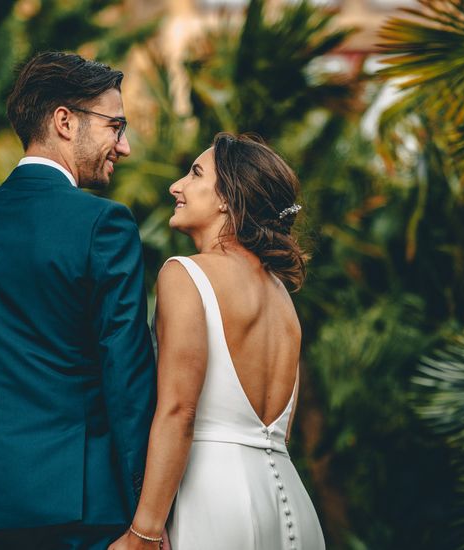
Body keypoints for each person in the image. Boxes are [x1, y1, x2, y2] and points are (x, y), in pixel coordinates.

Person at [0, 51, 156, 550]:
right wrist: (148, 511)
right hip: (87, 511)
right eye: (116, 126)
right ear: (65, 121)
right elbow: (126, 376)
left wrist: (2, 385)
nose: (123, 146)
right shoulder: (105, 225)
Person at [109, 133, 325, 550]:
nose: (177, 186)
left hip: (215, 501)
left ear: (227, 198)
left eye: (195, 174)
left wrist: (144, 531)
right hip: (292, 506)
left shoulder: (186, 275)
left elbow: (178, 410)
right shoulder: (282, 299)